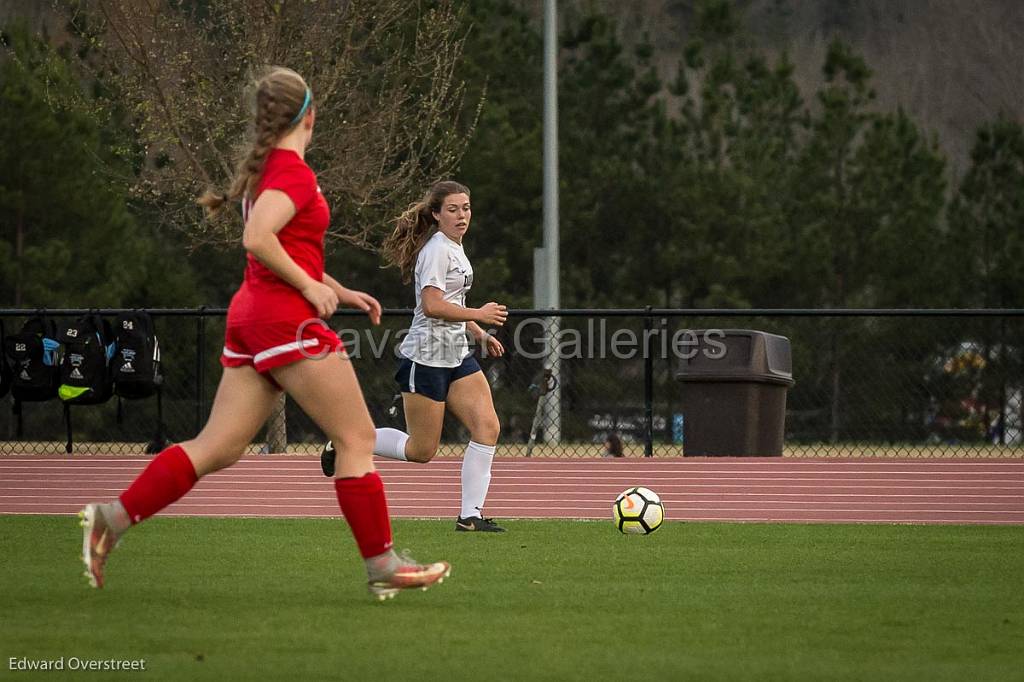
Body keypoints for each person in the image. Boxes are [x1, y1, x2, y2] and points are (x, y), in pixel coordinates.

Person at [78, 67, 449, 601]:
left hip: (252, 317)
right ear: (309, 114)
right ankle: (382, 563)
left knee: (217, 447)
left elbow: (286, 248)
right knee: (357, 439)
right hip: (283, 319)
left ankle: (111, 517)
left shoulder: (269, 170)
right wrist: (308, 287)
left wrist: (336, 289)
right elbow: (258, 237)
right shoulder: (292, 172)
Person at [320, 181, 509, 532]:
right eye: (452, 209)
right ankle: (349, 438)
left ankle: (471, 516)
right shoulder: (438, 249)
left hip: (456, 355)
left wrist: (479, 333)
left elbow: (454, 302)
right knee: (422, 450)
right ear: (436, 214)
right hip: (426, 357)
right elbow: (433, 305)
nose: (461, 215)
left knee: (487, 426)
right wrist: (479, 315)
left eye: (466, 208)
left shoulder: (456, 247)